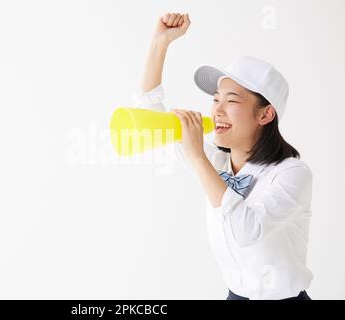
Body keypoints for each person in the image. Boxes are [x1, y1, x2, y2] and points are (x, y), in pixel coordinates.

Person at [133, 12, 313, 300]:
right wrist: (159, 44)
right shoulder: (215, 159)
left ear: (266, 114)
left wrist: (197, 158)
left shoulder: (292, 173)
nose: (216, 110)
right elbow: (149, 119)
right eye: (216, 99)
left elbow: (246, 231)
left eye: (231, 101)